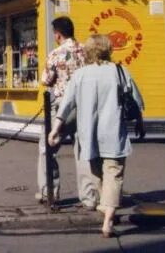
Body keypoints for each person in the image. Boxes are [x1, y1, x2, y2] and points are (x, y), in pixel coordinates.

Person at [49, 34, 144, 238]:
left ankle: (107, 212)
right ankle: (108, 214)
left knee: (97, 174)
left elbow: (66, 105)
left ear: (88, 51)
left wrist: (55, 129)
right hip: (114, 133)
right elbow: (135, 101)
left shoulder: (80, 75)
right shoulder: (119, 71)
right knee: (114, 174)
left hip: (89, 136)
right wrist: (140, 123)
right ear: (108, 50)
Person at [36, 15, 88, 206]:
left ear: (58, 35)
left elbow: (46, 80)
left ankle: (49, 191)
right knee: (83, 149)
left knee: (47, 148)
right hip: (84, 105)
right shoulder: (87, 52)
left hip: (61, 108)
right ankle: (89, 196)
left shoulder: (55, 54)